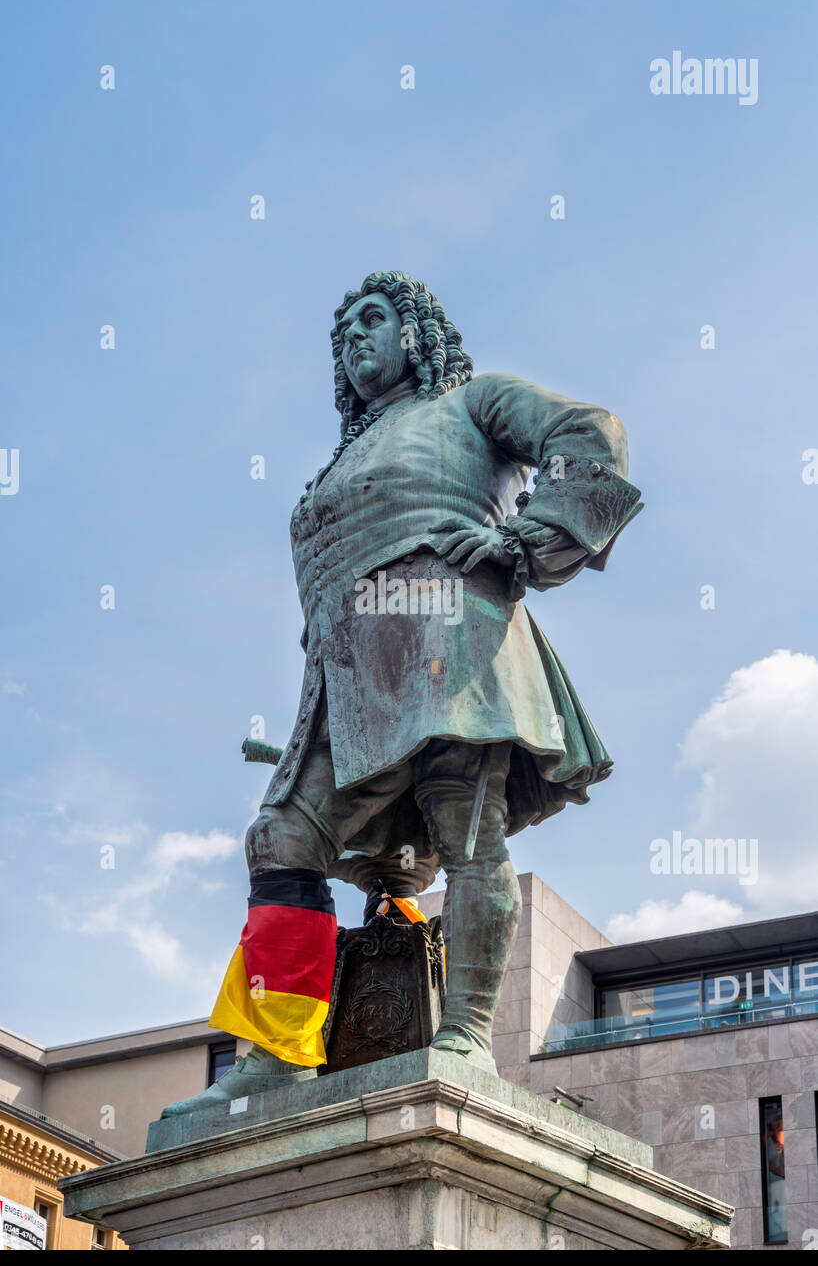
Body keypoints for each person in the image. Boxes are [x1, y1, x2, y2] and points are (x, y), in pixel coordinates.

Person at [161, 271, 642, 1116]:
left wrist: (527, 542)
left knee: (468, 830)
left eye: (374, 318)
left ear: (418, 332)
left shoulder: (473, 402)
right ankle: (278, 1052)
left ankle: (465, 1038)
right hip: (346, 681)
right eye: (342, 328)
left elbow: (587, 431)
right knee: (280, 839)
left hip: (451, 639)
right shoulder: (341, 457)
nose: (354, 337)